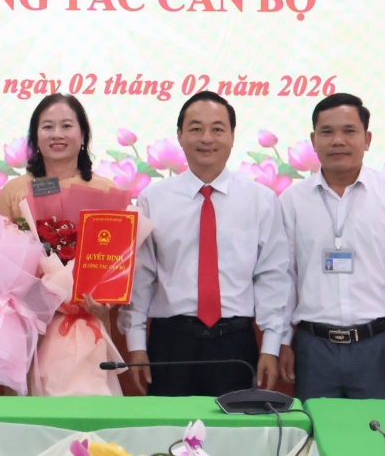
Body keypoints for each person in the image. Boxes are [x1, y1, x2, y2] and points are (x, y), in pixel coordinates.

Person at [124, 91, 291, 396]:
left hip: (235, 343)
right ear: (180, 135)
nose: (206, 138)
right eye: (196, 128)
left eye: (217, 129)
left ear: (232, 136)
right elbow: (140, 278)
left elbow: (272, 277)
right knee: (169, 425)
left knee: (233, 426)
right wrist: (136, 345)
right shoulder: (153, 199)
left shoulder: (261, 200)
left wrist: (270, 346)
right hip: (171, 342)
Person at [278, 93, 385, 400]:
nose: (338, 141)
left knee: (379, 430)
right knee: (318, 430)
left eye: (349, 131)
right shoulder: (292, 200)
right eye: (327, 132)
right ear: (313, 140)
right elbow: (284, 277)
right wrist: (283, 340)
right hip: (314, 347)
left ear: (367, 139)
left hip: (378, 344)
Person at [0, 93, 121, 396]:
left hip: (88, 322)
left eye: (66, 126)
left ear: (83, 134)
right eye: (47, 126)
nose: (57, 134)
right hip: (32, 327)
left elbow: (118, 263)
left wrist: (106, 299)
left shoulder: (106, 190)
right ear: (35, 136)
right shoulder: (15, 191)